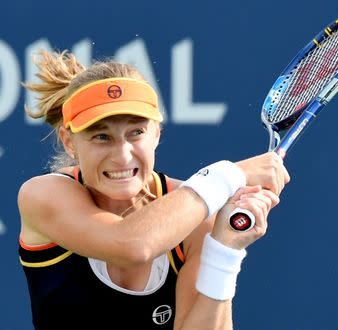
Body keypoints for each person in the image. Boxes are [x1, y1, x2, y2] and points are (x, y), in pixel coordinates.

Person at [18, 50, 290, 329]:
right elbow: (132, 245)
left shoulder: (196, 212)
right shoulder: (43, 195)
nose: (122, 156)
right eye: (102, 136)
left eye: (136, 132)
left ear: (157, 134)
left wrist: (224, 249)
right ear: (68, 142)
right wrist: (230, 174)